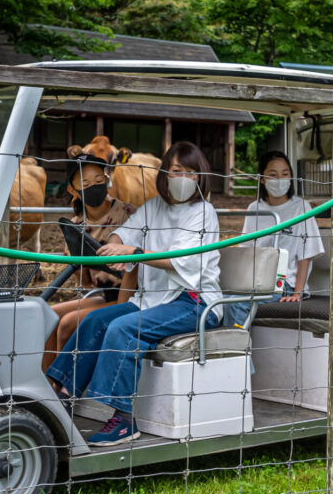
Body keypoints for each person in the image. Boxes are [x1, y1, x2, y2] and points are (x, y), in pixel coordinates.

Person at [46, 142, 222, 445]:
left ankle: (124, 421)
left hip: (193, 302)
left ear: (200, 177)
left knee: (123, 328)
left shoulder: (203, 212)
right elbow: (125, 231)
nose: (182, 178)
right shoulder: (154, 206)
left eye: (190, 173)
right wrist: (114, 241)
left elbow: (177, 260)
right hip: (153, 299)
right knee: (95, 321)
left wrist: (132, 251)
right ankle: (62, 397)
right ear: (164, 173)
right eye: (176, 170)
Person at [41, 152, 136, 371]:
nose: (93, 186)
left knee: (67, 323)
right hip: (104, 294)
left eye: (99, 180)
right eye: (85, 183)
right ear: (72, 190)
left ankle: (63, 387)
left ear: (107, 180)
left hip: (133, 294)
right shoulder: (76, 225)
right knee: (48, 316)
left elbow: (139, 267)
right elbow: (83, 279)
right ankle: (45, 382)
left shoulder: (129, 214)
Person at [224, 150, 325, 327]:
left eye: (285, 174)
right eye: (273, 174)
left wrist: (297, 292)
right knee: (219, 299)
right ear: (262, 179)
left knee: (236, 304)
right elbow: (246, 251)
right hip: (255, 280)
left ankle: (235, 350)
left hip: (283, 282)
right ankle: (221, 347)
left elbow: (306, 254)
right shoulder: (254, 207)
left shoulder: (301, 207)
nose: (279, 179)